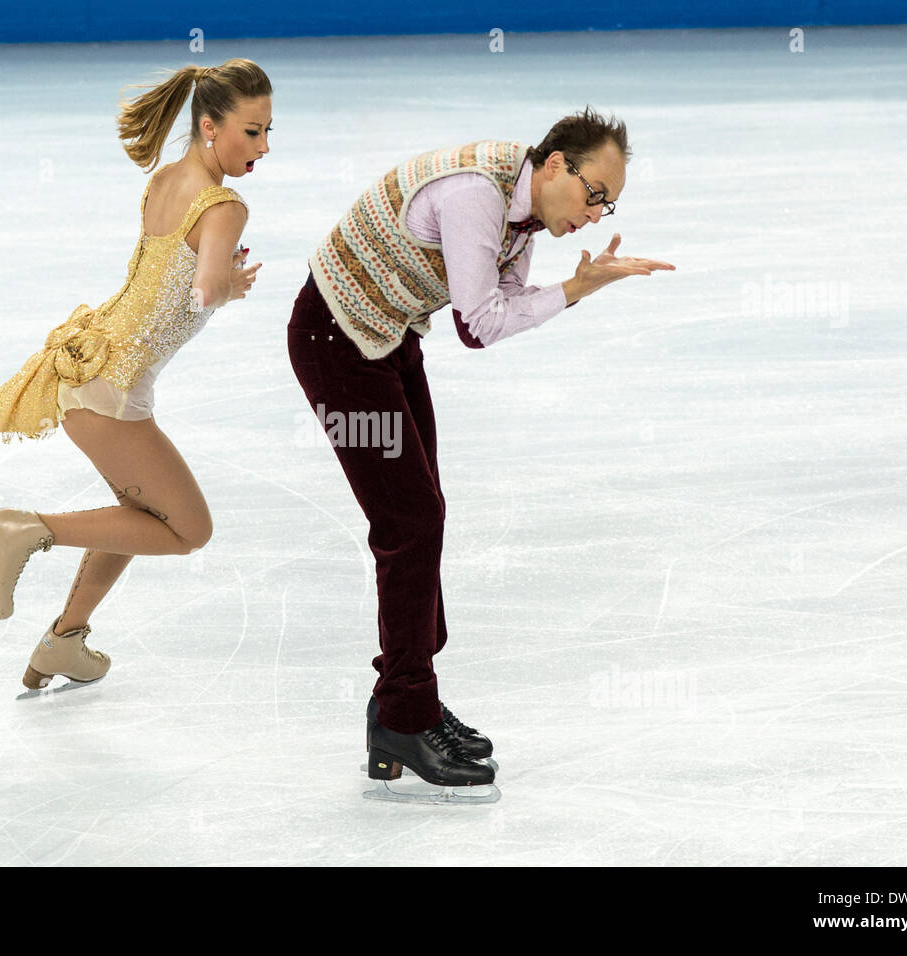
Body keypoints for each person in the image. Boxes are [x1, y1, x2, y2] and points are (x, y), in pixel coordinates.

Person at [287, 106, 674, 797]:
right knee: (409, 522)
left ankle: (410, 700)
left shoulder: (518, 210)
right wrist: (576, 290)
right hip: (335, 344)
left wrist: (574, 287)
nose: (594, 214)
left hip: (386, 337)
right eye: (593, 194)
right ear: (555, 164)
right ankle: (405, 714)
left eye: (608, 203)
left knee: (423, 511)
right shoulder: (479, 196)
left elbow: (491, 309)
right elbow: (482, 321)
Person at [0, 59, 271, 695]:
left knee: (141, 512)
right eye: (253, 131)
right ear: (210, 126)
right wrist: (229, 286)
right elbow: (204, 288)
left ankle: (65, 639)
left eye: (267, 131)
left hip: (94, 362)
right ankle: (22, 530)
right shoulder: (225, 205)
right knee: (189, 530)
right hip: (111, 388)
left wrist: (212, 283)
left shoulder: (166, 179)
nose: (264, 146)